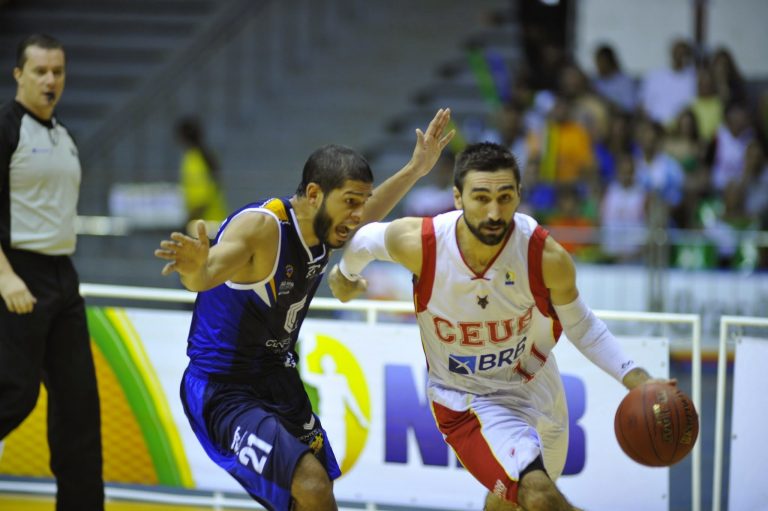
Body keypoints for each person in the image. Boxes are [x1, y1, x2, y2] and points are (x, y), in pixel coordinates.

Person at [328, 142, 665, 511]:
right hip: (468, 398)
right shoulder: (422, 244)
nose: (493, 212)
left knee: (518, 498)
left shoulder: (545, 256)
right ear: (457, 198)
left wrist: (639, 379)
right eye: (481, 198)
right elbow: (364, 239)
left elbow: (581, 324)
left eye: (505, 198)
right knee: (538, 495)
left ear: (519, 195)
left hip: (538, 383)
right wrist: (345, 275)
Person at [153, 108, 454, 511]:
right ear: (314, 195)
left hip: (276, 376)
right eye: (350, 202)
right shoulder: (262, 228)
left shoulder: (327, 226)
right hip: (224, 388)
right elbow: (206, 274)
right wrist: (193, 267)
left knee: (318, 489)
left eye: (361, 202)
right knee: (310, 485)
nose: (358, 215)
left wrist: (416, 169)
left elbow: (370, 213)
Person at [0, 34, 104, 510]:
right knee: (15, 395)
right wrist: (5, 278)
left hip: (62, 276)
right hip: (16, 273)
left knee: (79, 406)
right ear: (18, 74)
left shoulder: (64, 136)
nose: (50, 80)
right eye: (40, 71)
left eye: (57, 72)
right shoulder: (6, 128)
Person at [174, 116, 229, 235]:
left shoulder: (193, 160)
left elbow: (201, 200)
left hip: (204, 228)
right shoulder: (205, 156)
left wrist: (186, 224)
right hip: (217, 222)